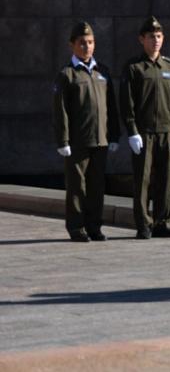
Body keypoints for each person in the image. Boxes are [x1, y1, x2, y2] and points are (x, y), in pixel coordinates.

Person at [52, 22, 120, 241]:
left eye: (90, 42)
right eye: (82, 42)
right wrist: (63, 141)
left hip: (100, 139)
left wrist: (114, 135)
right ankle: (76, 227)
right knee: (76, 187)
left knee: (96, 187)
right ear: (72, 45)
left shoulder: (103, 72)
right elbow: (60, 111)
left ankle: (94, 226)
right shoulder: (67, 74)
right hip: (78, 141)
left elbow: (111, 106)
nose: (87, 46)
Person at [120, 16, 170, 239]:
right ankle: (144, 224)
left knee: (166, 181)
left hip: (166, 131)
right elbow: (127, 103)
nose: (155, 40)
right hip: (144, 133)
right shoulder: (134, 68)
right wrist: (132, 131)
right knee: (143, 181)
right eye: (151, 37)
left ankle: (163, 223)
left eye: (158, 36)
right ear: (142, 39)